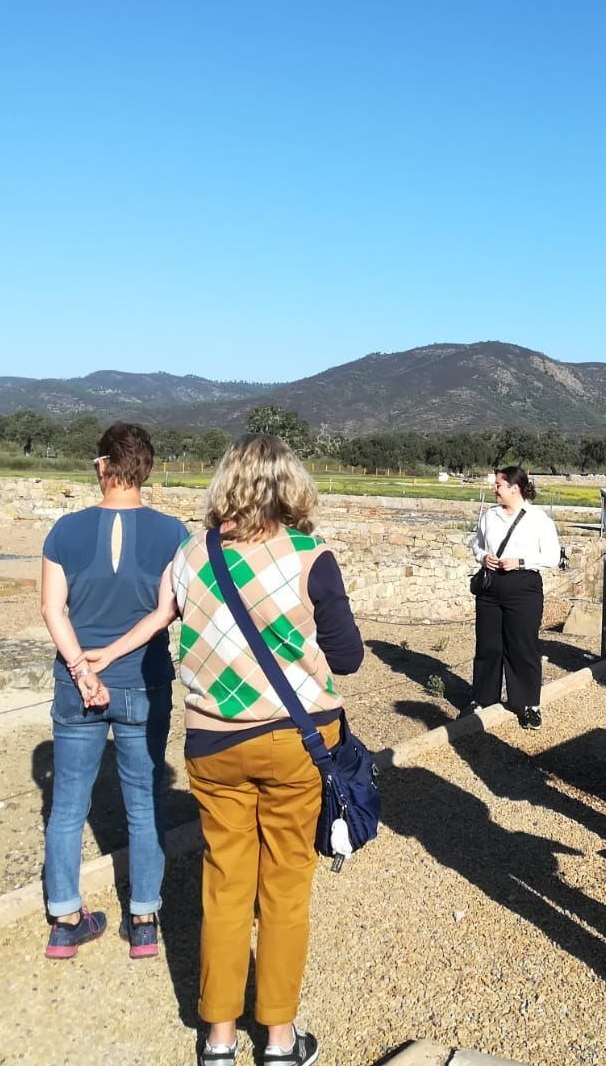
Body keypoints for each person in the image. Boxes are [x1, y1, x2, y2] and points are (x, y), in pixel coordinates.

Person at [171, 434, 364, 1066]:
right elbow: (349, 659)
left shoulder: (191, 554)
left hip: (212, 742)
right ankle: (280, 1040)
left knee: (225, 887)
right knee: (284, 890)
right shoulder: (312, 556)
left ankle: (218, 1039)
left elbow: (166, 621)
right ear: (294, 487)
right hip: (295, 742)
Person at [39, 422, 187, 959]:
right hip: (141, 682)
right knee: (144, 802)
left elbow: (52, 609)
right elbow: (166, 611)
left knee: (66, 807)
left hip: (75, 687)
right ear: (146, 470)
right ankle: (144, 918)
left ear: (102, 467)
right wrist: (116, 653)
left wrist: (82, 666)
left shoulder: (63, 531)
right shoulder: (174, 533)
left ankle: (64, 919)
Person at [469, 465, 562, 729]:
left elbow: (552, 556)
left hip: (523, 587)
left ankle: (528, 704)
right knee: (488, 645)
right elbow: (476, 543)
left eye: (498, 485)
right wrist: (482, 556)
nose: (494, 489)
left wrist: (520, 561)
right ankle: (482, 699)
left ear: (515, 488)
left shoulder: (538, 519)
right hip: (490, 587)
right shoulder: (489, 516)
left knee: (522, 646)